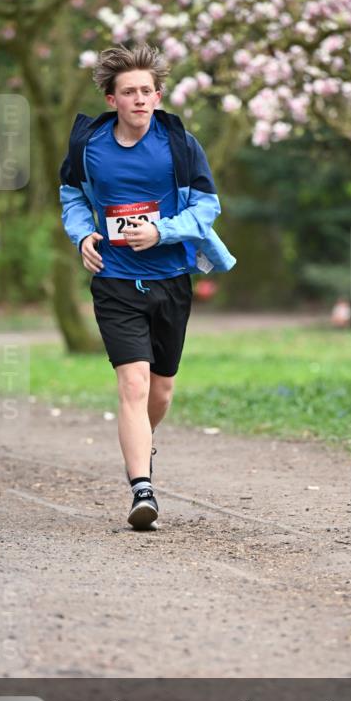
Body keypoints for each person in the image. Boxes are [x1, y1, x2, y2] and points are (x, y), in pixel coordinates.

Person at [60, 43, 235, 531]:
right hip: (114, 279)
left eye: (146, 91)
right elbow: (72, 196)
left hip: (171, 280)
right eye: (128, 92)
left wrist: (162, 231)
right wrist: (82, 236)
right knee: (133, 383)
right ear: (111, 99)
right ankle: (143, 489)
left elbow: (206, 209)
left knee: (160, 390)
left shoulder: (179, 144)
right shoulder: (88, 146)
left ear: (157, 96)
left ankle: (141, 441)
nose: (139, 99)